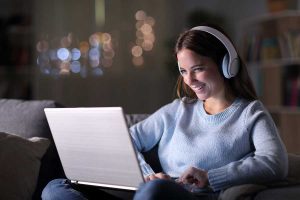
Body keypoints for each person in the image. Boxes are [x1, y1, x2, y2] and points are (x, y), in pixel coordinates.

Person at [41, 24, 288, 200]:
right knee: (55, 188)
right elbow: (127, 138)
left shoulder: (250, 113)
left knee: (155, 193)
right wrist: (148, 175)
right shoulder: (178, 110)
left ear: (227, 64)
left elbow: (275, 163)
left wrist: (210, 177)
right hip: (149, 192)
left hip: (185, 197)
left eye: (198, 69)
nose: (190, 80)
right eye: (183, 71)